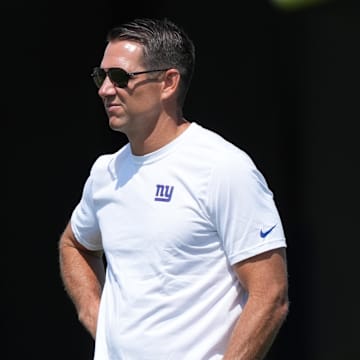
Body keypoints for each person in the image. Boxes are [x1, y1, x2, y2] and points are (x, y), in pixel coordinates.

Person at [58, 17, 289, 360]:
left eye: (120, 77)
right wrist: (97, 317)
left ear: (168, 82)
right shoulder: (106, 172)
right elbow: (74, 243)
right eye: (100, 76)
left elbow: (270, 295)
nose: (105, 89)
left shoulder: (223, 167)